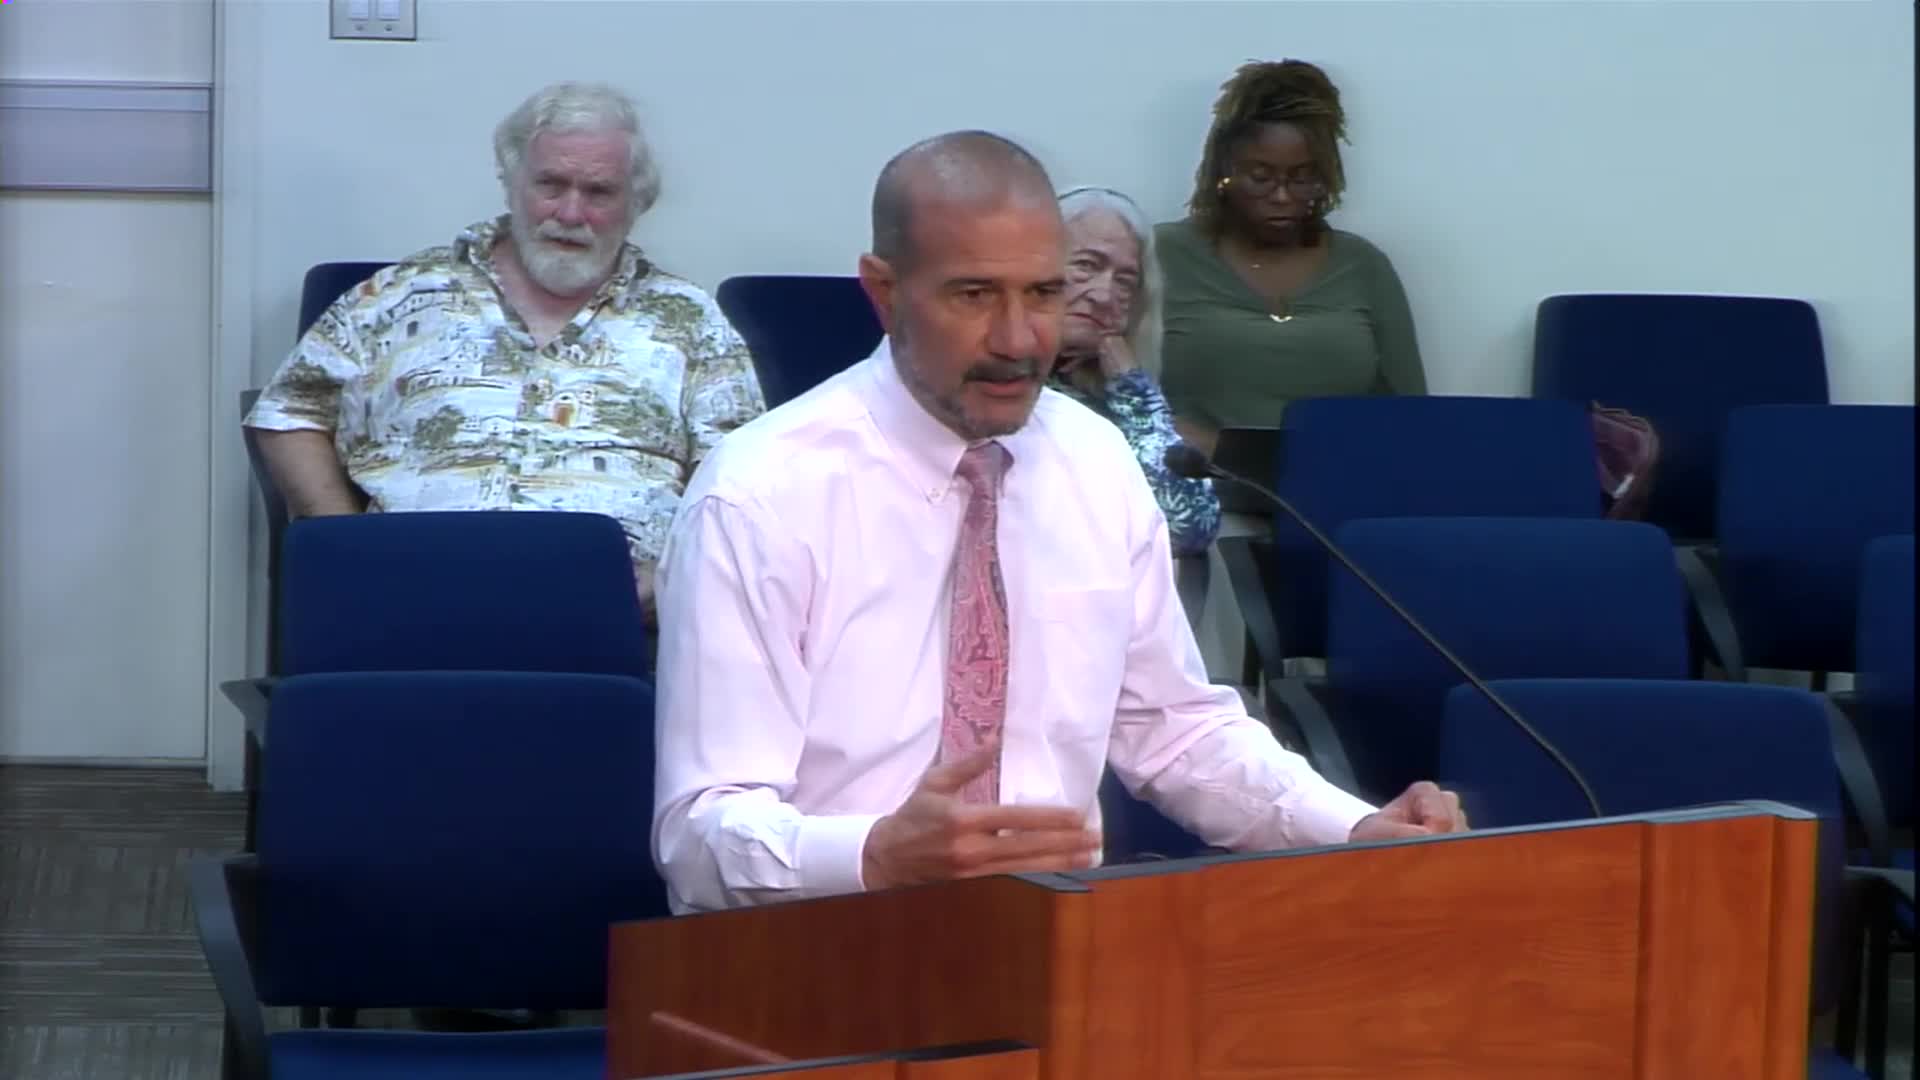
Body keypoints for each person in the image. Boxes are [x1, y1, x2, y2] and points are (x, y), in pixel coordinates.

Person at [650, 130, 1467, 915]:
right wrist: (874, 855)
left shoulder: (1094, 461)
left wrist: (1353, 829)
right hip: (814, 951)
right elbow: (697, 836)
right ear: (884, 291)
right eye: (975, 294)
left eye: (1043, 294)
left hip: (1055, 946)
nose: (1018, 340)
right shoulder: (762, 494)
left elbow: (1177, 731)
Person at [244, 81, 764, 618]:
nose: (570, 213)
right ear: (512, 183)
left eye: (599, 192)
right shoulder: (396, 296)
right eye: (550, 185)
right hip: (411, 595)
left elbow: (744, 473)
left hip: (610, 610)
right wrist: (344, 548)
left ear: (636, 204)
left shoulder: (687, 318)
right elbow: (289, 414)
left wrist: (672, 577)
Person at [1157, 59, 1425, 457]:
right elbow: (1107, 392)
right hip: (1193, 482)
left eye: (1302, 178)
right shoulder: (1162, 254)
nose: (1282, 196)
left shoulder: (1363, 265)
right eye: (1261, 177)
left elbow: (1412, 417)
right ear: (1223, 172)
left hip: (1335, 481)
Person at [1049, 186, 1220, 557]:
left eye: (1125, 281)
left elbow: (1191, 525)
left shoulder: (1119, 399)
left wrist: (1134, 392)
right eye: (1086, 266)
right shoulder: (993, 383)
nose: (1104, 296)